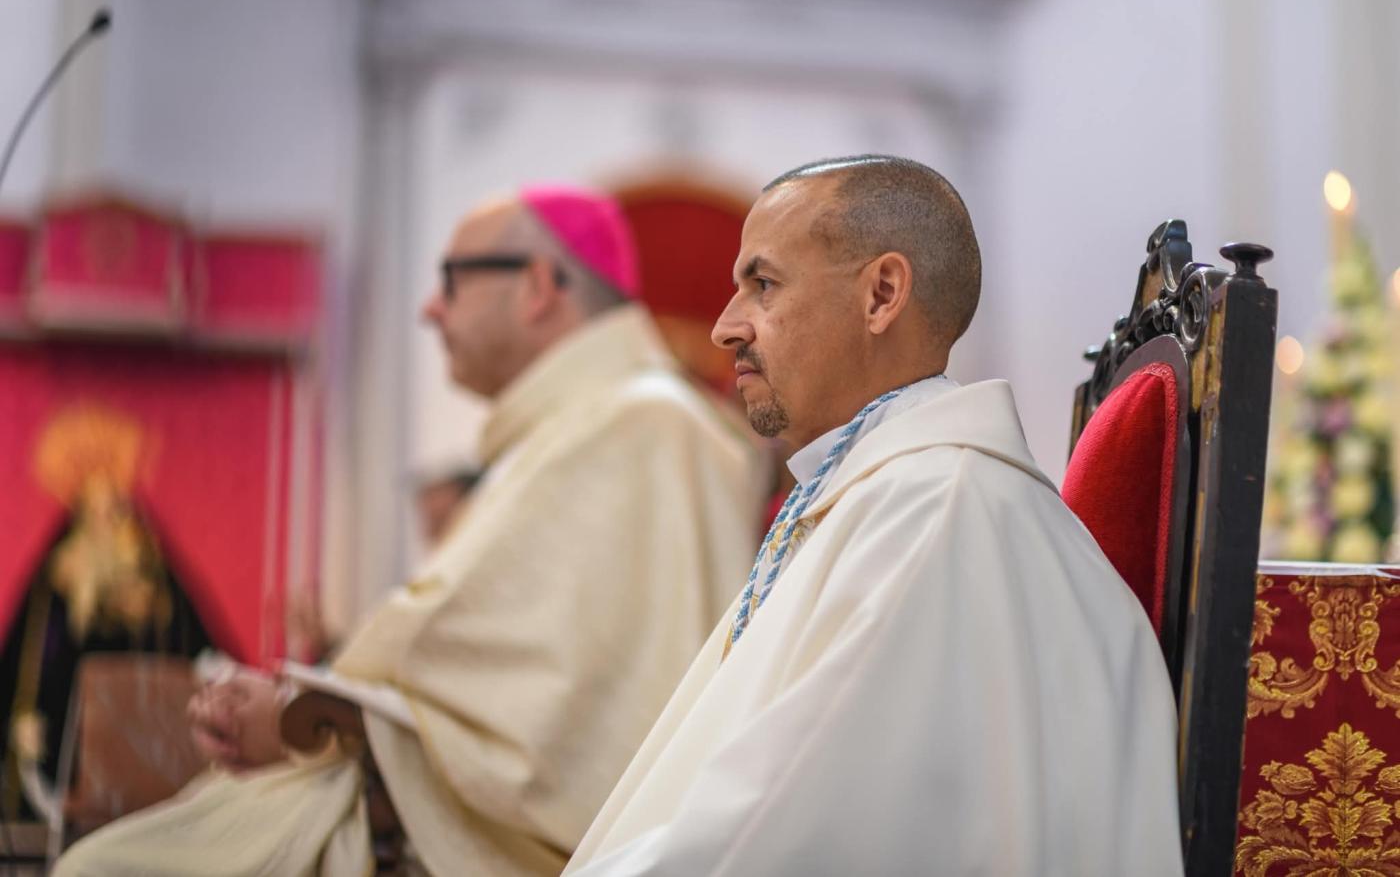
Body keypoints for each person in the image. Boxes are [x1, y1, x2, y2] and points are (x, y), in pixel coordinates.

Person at [56, 186, 764, 876]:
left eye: (451, 281)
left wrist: (306, 715)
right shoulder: (587, 426)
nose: (430, 309)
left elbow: (577, 723)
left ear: (540, 286)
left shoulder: (642, 425)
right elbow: (511, 673)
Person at [564, 155, 1183, 875]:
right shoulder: (881, 495)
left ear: (882, 294)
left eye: (761, 285)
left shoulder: (931, 515)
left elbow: (782, 835)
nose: (725, 328)